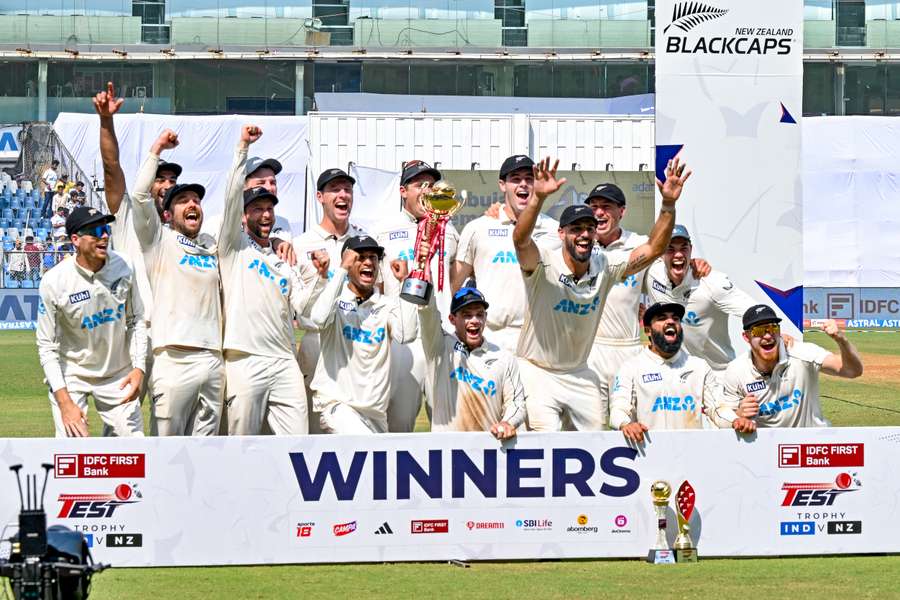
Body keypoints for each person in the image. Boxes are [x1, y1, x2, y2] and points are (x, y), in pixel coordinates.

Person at [513, 157, 691, 431]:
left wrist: (668, 205)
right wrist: (537, 197)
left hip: (580, 372)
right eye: (576, 229)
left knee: (598, 443)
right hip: (538, 371)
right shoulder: (543, 263)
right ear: (561, 233)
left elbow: (655, 248)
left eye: (589, 229)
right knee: (545, 443)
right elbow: (521, 240)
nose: (584, 234)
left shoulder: (605, 266)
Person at [218, 125, 330, 435]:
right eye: (256, 209)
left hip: (284, 360)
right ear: (243, 215)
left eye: (269, 209)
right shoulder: (232, 247)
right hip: (245, 359)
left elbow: (304, 311)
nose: (265, 215)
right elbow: (230, 199)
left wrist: (320, 278)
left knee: (296, 443)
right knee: (240, 444)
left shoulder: (283, 259)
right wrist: (242, 147)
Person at [132, 128, 224, 436]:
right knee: (167, 452)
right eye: (183, 200)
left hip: (212, 358)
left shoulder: (211, 246)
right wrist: (156, 148)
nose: (192, 204)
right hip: (173, 358)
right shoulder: (158, 241)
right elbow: (139, 196)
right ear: (169, 214)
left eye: (196, 199)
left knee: (206, 452)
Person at [35, 207, 146, 437]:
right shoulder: (53, 281)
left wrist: (139, 368)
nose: (104, 236)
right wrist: (65, 403)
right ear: (75, 239)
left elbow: (136, 320)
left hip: (117, 373)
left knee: (130, 452)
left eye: (106, 229)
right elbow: (46, 347)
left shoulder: (124, 266)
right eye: (96, 231)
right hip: (72, 374)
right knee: (73, 453)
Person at [372, 159, 459, 432]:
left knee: (446, 423)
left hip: (441, 336)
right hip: (402, 341)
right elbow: (375, 288)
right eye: (419, 184)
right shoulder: (382, 230)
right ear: (403, 192)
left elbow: (456, 281)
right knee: (398, 426)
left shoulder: (450, 229)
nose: (426, 190)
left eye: (431, 185)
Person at [308, 235, 417, 434]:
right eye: (360, 257)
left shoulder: (387, 304)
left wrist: (405, 282)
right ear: (348, 262)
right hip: (338, 406)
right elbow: (318, 318)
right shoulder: (336, 300)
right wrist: (341, 269)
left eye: (373, 258)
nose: (368, 262)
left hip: (376, 415)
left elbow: (406, 334)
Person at [453, 155, 561, 353]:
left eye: (530, 178)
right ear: (502, 185)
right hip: (490, 338)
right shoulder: (478, 228)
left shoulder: (555, 231)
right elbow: (453, 285)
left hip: (538, 340)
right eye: (516, 179)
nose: (524, 184)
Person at [609, 302, 753, 443]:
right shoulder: (631, 367)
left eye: (676, 319)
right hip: (648, 454)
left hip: (689, 455)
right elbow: (618, 409)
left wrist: (735, 420)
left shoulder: (699, 366)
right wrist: (626, 424)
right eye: (661, 318)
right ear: (648, 331)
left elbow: (717, 410)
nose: (670, 321)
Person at [411, 262, 525, 438]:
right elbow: (428, 314)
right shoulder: (440, 347)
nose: (475, 320)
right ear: (452, 319)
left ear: (486, 318)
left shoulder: (503, 358)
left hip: (489, 450)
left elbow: (517, 402)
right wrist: (427, 281)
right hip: (446, 452)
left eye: (479, 314)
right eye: (466, 315)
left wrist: (507, 422)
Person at [292, 167, 367, 430]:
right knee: (313, 427)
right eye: (335, 189)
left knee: (355, 422)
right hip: (317, 344)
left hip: (354, 341)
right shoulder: (301, 244)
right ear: (320, 197)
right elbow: (297, 305)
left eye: (347, 189)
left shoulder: (363, 240)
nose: (342, 194)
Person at [718, 306, 863, 428]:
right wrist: (738, 415)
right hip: (765, 449)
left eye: (772, 328)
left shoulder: (801, 353)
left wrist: (841, 339)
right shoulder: (736, 370)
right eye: (759, 331)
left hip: (812, 445)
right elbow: (723, 419)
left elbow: (852, 371)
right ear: (746, 337)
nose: (767, 336)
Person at [645, 225, 756, 371]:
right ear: (661, 253)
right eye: (670, 249)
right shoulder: (652, 273)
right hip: (675, 373)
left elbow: (755, 312)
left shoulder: (712, 283)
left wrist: (774, 333)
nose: (678, 255)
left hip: (717, 373)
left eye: (683, 248)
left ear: (691, 250)